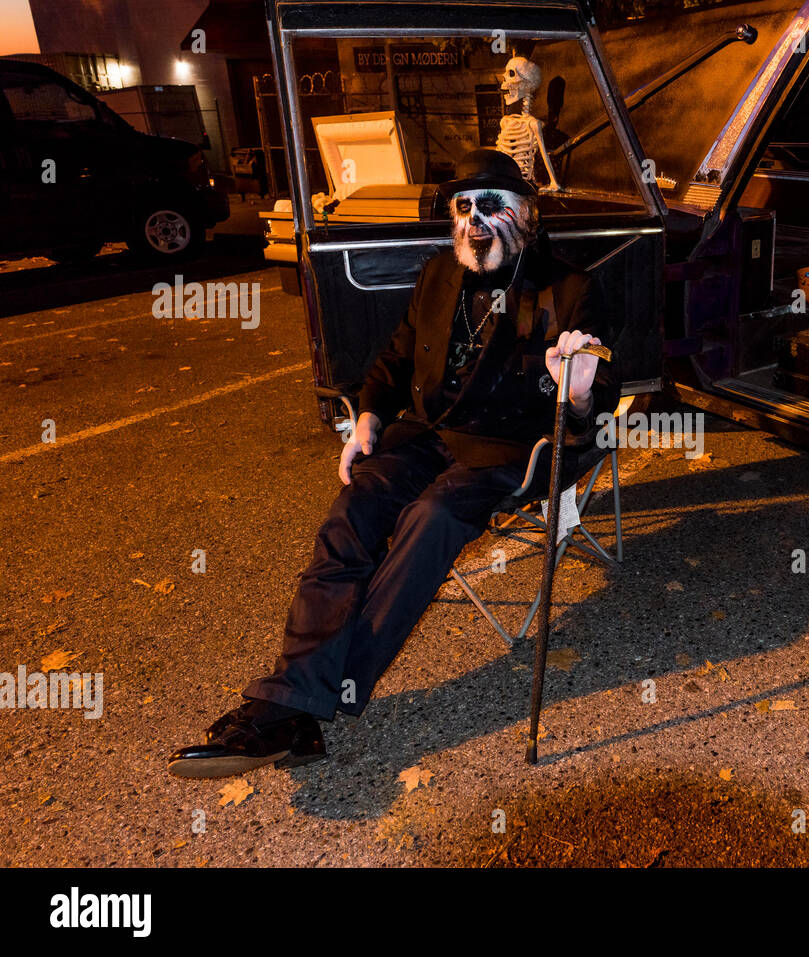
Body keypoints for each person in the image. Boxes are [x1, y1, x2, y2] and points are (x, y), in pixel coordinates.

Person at [167, 149, 620, 778]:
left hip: (511, 448)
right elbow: (394, 359)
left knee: (430, 518)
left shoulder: (569, 289)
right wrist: (370, 419)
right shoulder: (439, 274)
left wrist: (574, 387)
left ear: (526, 214)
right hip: (426, 435)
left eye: (491, 205)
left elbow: (594, 410)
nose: (475, 220)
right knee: (351, 513)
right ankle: (295, 706)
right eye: (464, 207)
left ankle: (293, 707)